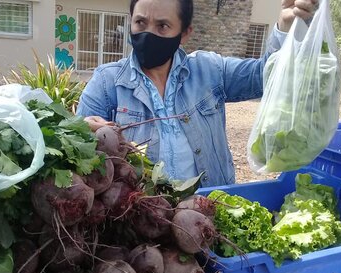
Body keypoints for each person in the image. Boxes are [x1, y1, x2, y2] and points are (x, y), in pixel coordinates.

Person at [76, 0, 317, 187]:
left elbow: (266, 76)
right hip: (142, 225)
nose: (148, 33)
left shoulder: (209, 71)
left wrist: (286, 28)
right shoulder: (107, 83)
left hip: (208, 215)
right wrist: (84, 132)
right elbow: (79, 159)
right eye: (140, 23)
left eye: (162, 26)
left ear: (184, 33)